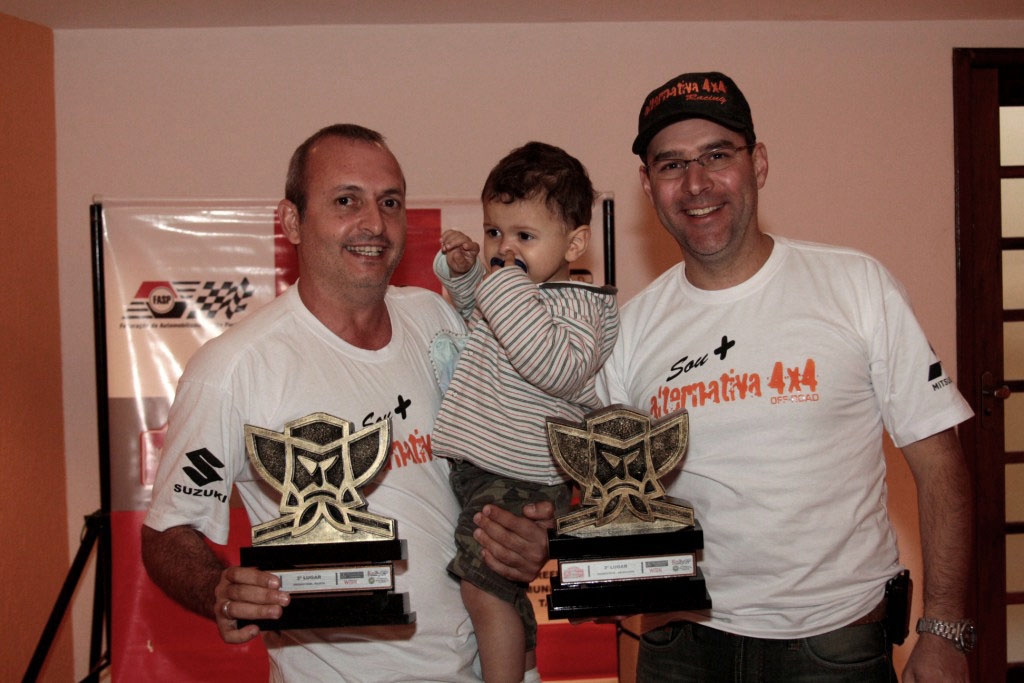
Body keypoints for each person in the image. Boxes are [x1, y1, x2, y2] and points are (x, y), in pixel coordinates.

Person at [141, 123, 553, 682]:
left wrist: (529, 534)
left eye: (390, 202)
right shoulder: (234, 368)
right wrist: (217, 588)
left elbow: (499, 457)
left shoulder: (435, 319)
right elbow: (168, 532)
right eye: (346, 201)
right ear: (292, 221)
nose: (375, 224)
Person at [598, 72, 975, 682]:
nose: (695, 183)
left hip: (835, 646)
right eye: (671, 165)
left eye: (717, 155)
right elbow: (606, 494)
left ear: (758, 164)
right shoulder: (628, 329)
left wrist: (946, 630)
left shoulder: (857, 286)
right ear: (648, 185)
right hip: (679, 648)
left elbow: (940, 465)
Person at [430, 141, 619, 683]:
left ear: (574, 242)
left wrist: (504, 282)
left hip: (521, 471)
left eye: (524, 237)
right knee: (507, 592)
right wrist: (465, 277)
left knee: (483, 586)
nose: (503, 249)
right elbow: (481, 315)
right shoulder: (515, 292)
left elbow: (554, 367)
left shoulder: (582, 305)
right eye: (494, 232)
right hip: (490, 467)